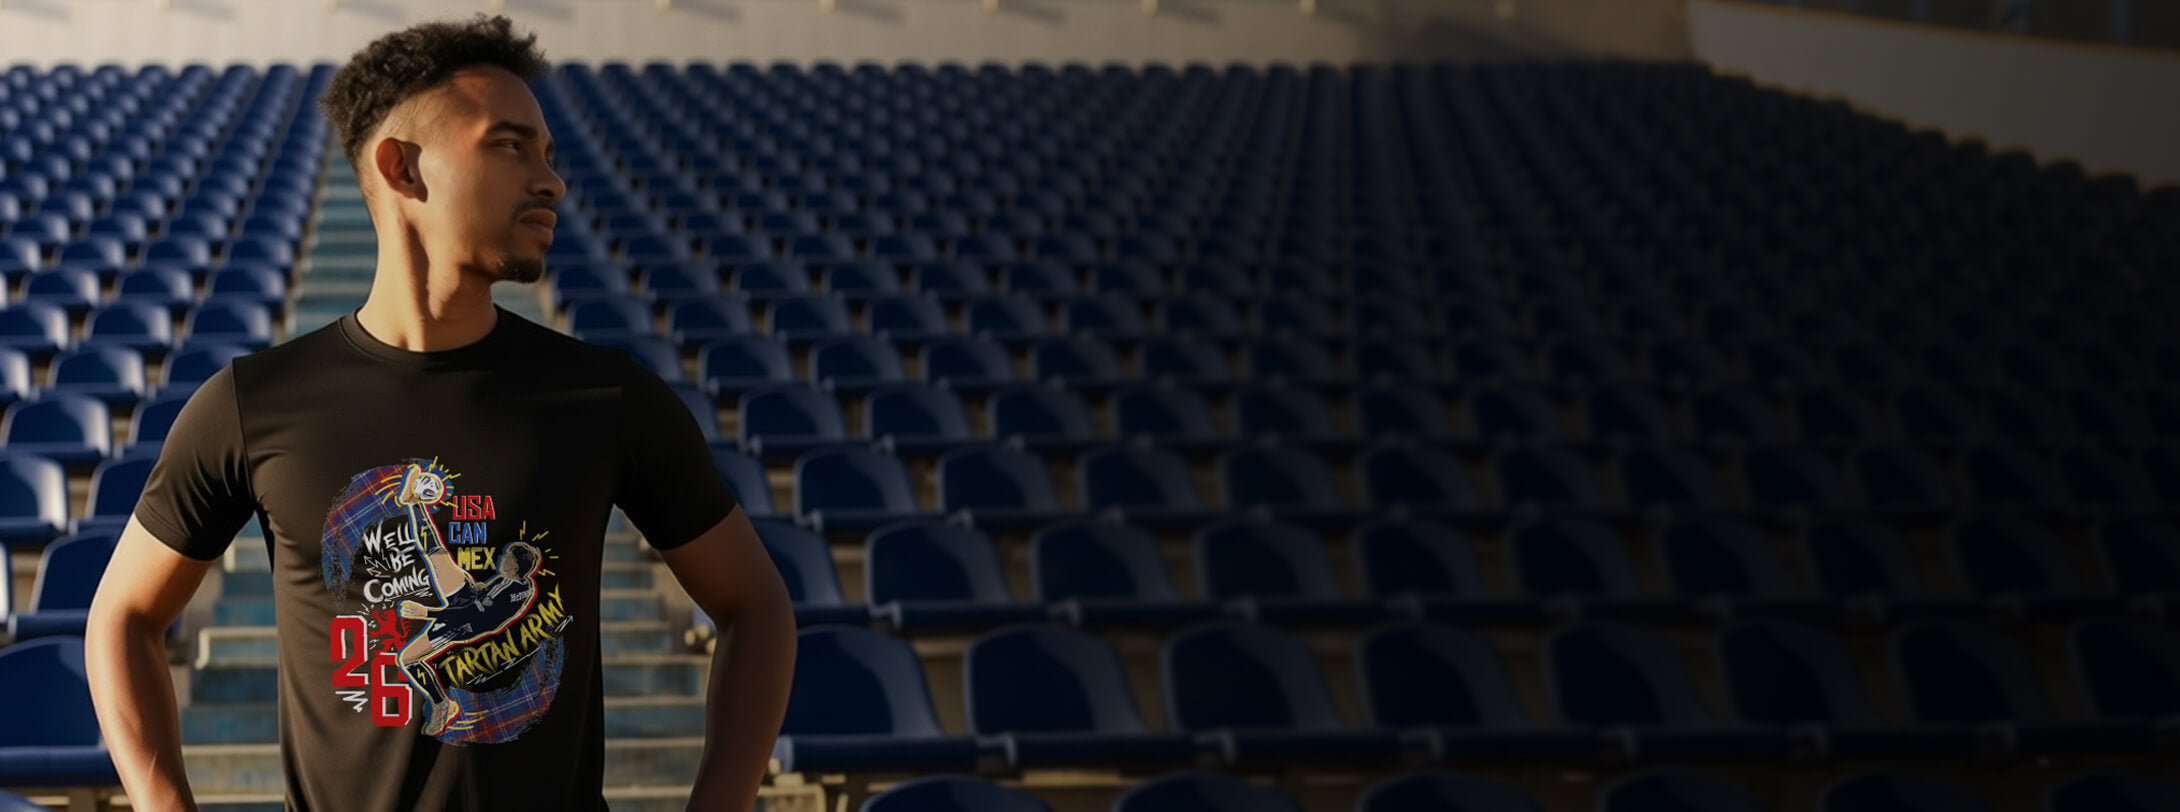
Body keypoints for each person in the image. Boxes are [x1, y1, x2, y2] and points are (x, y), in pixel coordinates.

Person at [83, 15, 797, 812]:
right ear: (403, 168)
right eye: (509, 145)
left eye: (550, 155)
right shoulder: (256, 403)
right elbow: (123, 616)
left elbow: (755, 604)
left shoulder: (605, 395)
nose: (551, 180)